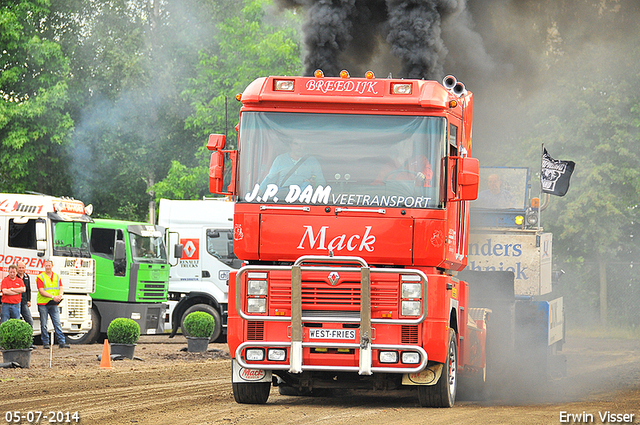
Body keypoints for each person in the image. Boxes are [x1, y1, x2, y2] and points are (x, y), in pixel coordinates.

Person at [260, 139, 325, 190]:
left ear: (305, 146)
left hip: (305, 196)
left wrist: (314, 184)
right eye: (296, 144)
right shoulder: (280, 159)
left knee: (306, 185)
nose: (299, 147)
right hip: (283, 195)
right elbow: (270, 178)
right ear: (290, 145)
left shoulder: (312, 161)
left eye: (302, 144)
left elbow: (321, 182)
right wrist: (259, 192)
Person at [36, 259, 70, 349]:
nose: (48, 267)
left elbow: (61, 287)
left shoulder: (57, 276)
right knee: (44, 323)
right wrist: (53, 297)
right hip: (43, 303)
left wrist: (60, 295)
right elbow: (41, 291)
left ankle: (61, 342)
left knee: (57, 322)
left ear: (52, 266)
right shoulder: (40, 277)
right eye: (46, 265)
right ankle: (45, 342)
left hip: (54, 303)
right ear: (44, 266)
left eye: (49, 265)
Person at [16, 261, 34, 329]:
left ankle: (29, 337)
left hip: (24, 302)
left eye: (22, 268)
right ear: (17, 268)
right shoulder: (14, 276)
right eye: (19, 267)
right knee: (16, 321)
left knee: (30, 321)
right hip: (15, 302)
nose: (21, 269)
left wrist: (29, 300)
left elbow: (28, 289)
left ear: (25, 268)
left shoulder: (27, 277)